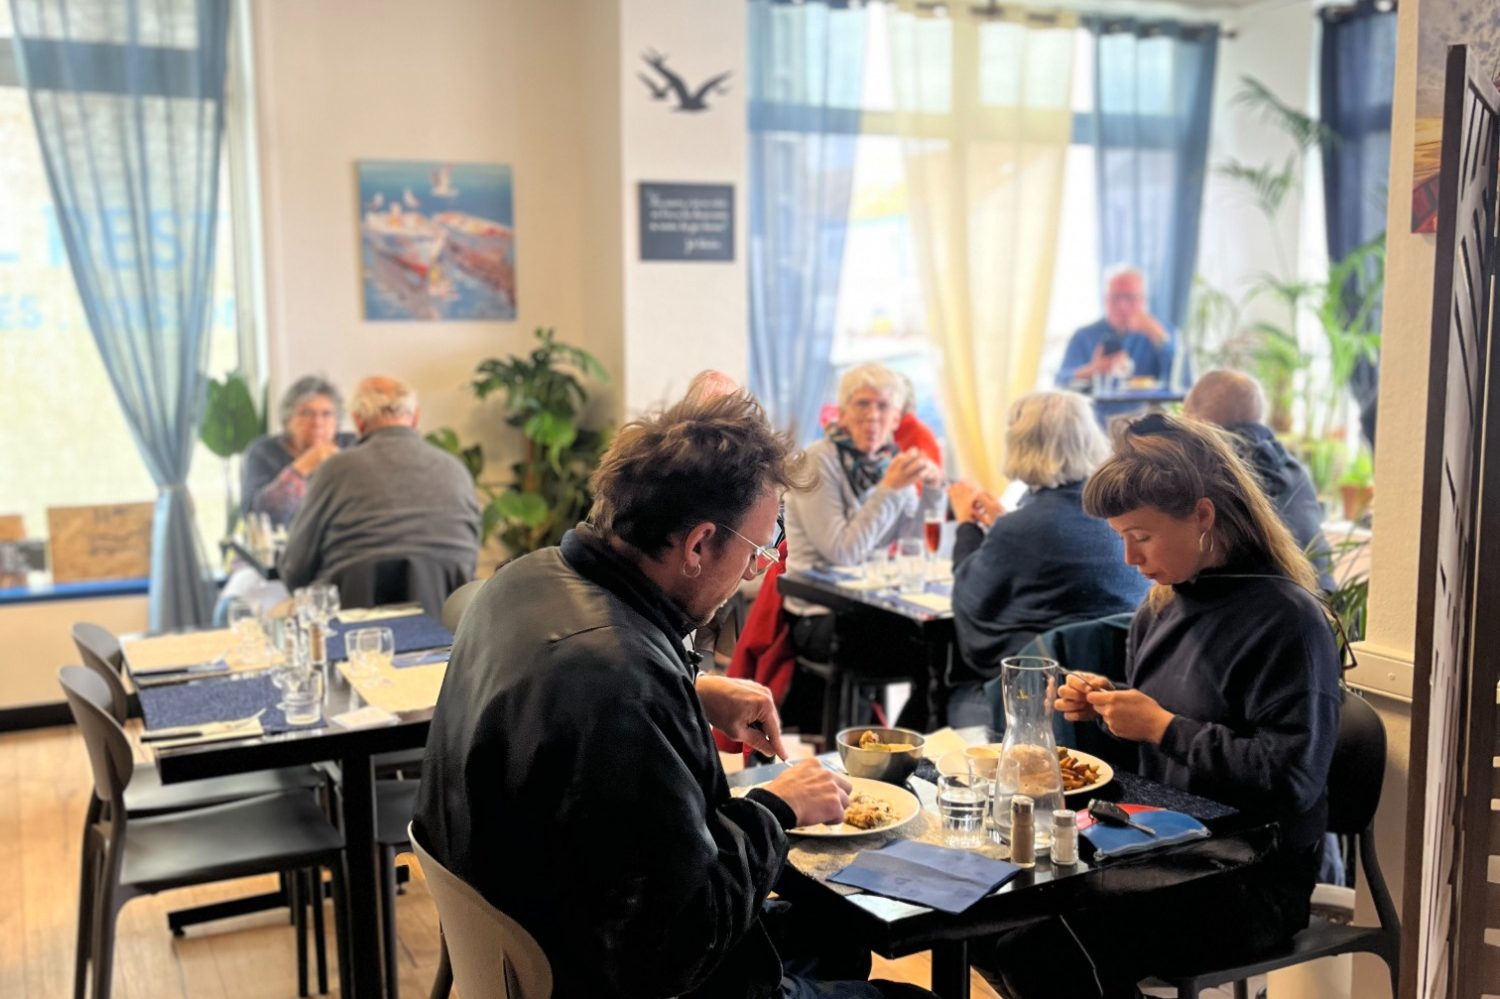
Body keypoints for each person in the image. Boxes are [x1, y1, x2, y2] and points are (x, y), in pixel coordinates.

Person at [414, 391, 934, 999]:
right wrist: (777, 808)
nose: (751, 574)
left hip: (546, 925)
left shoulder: (521, 580)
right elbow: (681, 944)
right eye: (757, 552)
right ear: (696, 544)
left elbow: (569, 701)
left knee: (832, 934)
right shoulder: (621, 687)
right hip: (621, 974)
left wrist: (688, 690)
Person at [974, 412, 1341, 999]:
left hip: (1248, 877)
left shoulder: (1286, 620)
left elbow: (1292, 777)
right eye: (1120, 536)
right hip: (1165, 845)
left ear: (1202, 516)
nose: (1128, 557)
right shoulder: (1161, 608)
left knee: (1038, 947)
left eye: (1140, 536)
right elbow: (1163, 747)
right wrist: (1110, 708)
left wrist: (1163, 726)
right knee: (984, 920)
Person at [944, 392, 1149, 725]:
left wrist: (967, 524)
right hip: (1117, 685)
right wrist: (1006, 523)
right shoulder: (1123, 512)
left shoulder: (1020, 529)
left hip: (1038, 696)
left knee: (943, 686)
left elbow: (970, 600)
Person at [277, 376, 481, 591]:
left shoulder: (336, 469)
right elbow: (470, 559)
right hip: (447, 615)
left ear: (358, 420)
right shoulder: (455, 468)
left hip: (355, 615)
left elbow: (294, 570)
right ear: (415, 417)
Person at [1184, 368, 1335, 590]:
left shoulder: (1207, 470)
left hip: (1271, 611)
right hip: (1329, 604)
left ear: (1193, 418)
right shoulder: (1294, 468)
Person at [241, 375, 357, 528]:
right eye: (307, 413)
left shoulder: (353, 445)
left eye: (327, 414)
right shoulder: (264, 452)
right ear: (288, 420)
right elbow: (258, 515)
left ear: (337, 422)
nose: (317, 422)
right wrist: (301, 468)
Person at [1055, 267, 1185, 390]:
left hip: (1148, 411)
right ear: (1105, 300)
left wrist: (1160, 338)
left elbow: (1182, 381)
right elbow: (1061, 381)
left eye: (1130, 298)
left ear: (1144, 300)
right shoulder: (1084, 335)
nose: (1122, 306)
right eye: (1115, 298)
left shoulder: (1162, 331)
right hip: (1097, 412)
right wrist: (1094, 370)